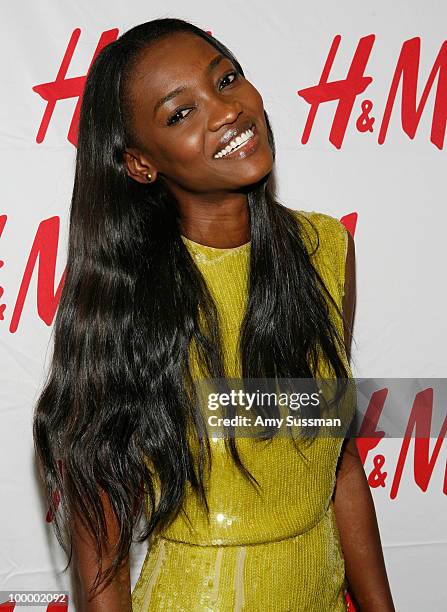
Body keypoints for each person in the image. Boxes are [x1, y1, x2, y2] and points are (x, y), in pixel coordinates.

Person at [33, 17, 395, 612]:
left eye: (226, 79)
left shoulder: (326, 250)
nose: (225, 111)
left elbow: (338, 459)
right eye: (181, 113)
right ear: (141, 164)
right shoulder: (128, 300)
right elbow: (101, 542)